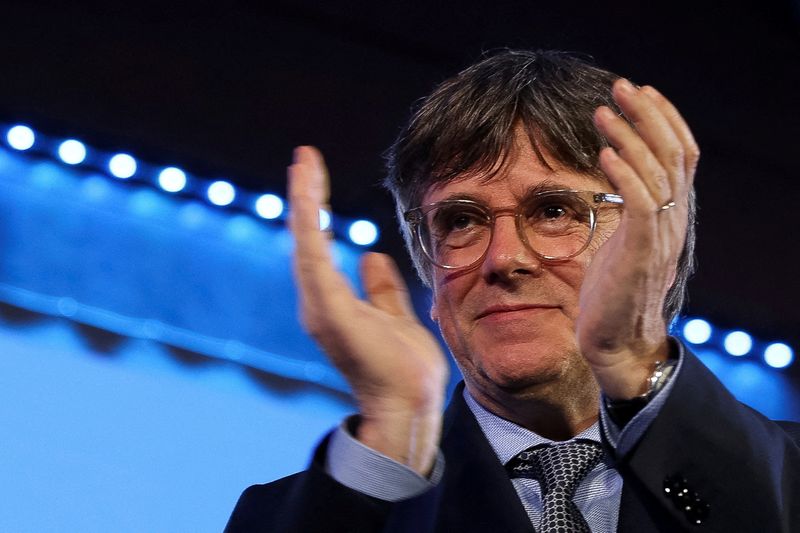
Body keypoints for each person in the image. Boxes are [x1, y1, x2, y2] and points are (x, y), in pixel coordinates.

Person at [225, 50, 800, 532]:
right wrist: (395, 432)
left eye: (555, 211)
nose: (503, 259)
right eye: (461, 221)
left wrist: (631, 361)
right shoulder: (302, 513)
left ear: (659, 246)